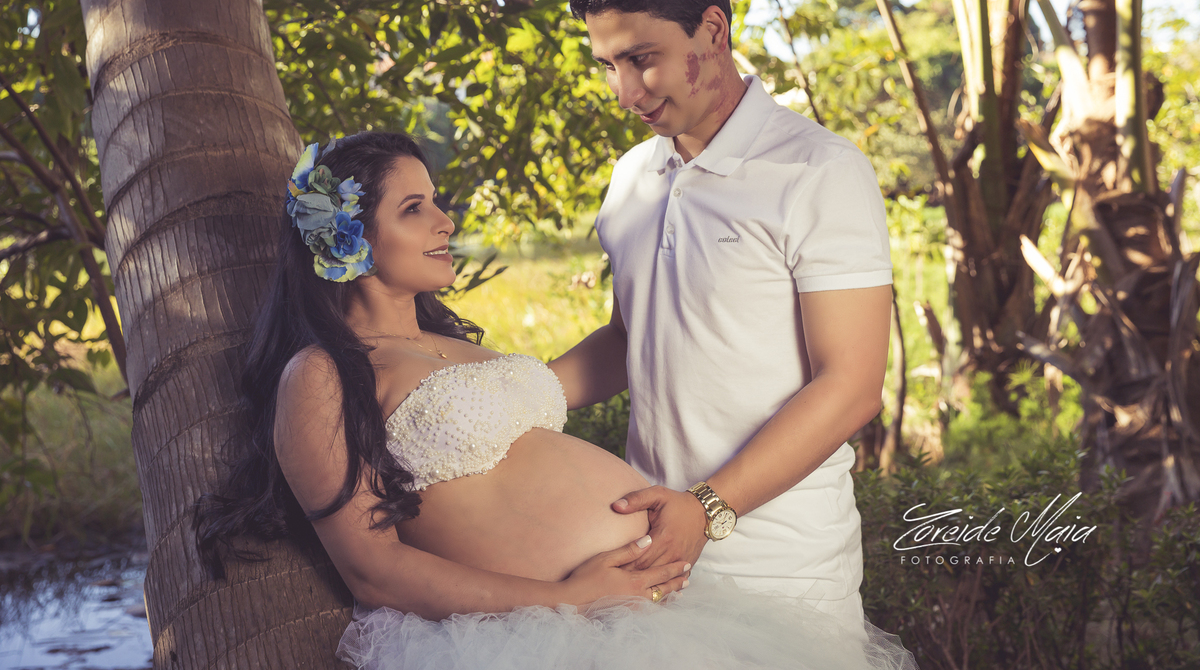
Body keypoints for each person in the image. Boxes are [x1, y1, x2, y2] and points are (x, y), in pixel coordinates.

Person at [194, 131, 917, 669]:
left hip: (658, 615)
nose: (445, 221)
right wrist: (570, 600)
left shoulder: (457, 349)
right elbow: (372, 569)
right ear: (346, 240)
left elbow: (616, 352)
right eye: (415, 209)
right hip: (543, 632)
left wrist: (732, 274)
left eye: (437, 201)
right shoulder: (323, 375)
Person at [553, 0, 895, 637]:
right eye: (607, 64)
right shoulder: (632, 177)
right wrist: (504, 397)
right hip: (649, 554)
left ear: (712, 30)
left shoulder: (819, 171)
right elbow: (629, 339)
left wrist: (706, 508)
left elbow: (852, 384)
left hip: (785, 572)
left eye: (641, 59)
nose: (623, 92)